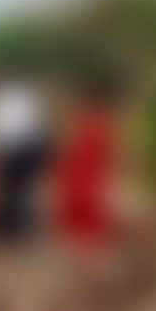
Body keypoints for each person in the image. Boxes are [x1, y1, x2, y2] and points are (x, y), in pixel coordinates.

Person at [0, 72, 52, 242]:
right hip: (26, 150)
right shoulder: (21, 98)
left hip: (12, 151)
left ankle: (10, 227)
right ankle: (16, 227)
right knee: (18, 190)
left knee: (8, 190)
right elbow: (38, 127)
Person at [53, 72, 122, 246]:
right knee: (84, 212)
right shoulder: (95, 121)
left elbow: (104, 152)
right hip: (83, 175)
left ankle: (85, 246)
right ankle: (84, 246)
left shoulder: (94, 122)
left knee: (86, 212)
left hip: (86, 175)